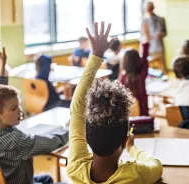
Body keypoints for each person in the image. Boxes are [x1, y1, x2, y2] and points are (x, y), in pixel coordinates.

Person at [66, 22, 163, 184]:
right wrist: (133, 148)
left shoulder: (75, 167)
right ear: (124, 141)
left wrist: (96, 55)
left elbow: (77, 108)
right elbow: (157, 166)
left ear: (86, 138)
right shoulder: (134, 174)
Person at [0, 43, 69, 184]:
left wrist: (2, 63)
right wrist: (71, 129)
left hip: (11, 180)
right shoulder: (16, 140)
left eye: (18, 106)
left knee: (46, 178)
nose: (20, 111)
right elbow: (51, 143)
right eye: (13, 108)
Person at [119, 39, 150, 116]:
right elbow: (145, 57)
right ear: (138, 60)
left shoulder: (122, 78)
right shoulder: (142, 74)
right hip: (144, 115)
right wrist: (145, 42)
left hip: (130, 115)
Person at [143, 1, 167, 72]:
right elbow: (142, 36)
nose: (149, 11)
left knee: (162, 66)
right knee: (151, 67)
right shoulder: (144, 21)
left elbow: (165, 33)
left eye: (150, 9)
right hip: (149, 46)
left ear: (153, 8)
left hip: (159, 46)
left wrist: (161, 34)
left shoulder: (161, 19)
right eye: (147, 9)